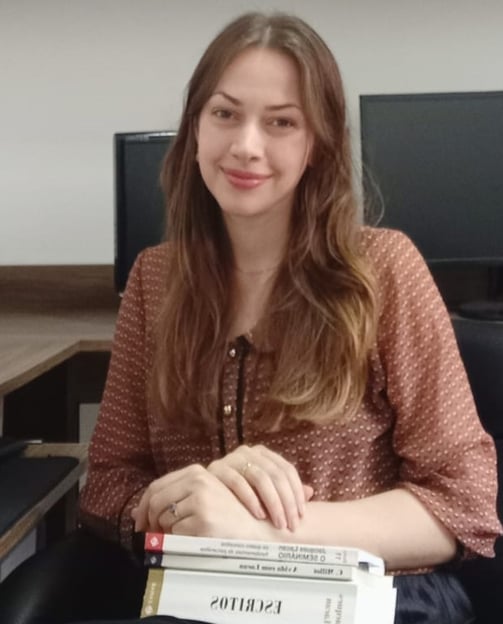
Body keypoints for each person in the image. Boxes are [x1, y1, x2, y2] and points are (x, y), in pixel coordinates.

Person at [76, 11, 500, 624]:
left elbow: (463, 505)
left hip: (374, 596)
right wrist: (183, 501)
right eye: (225, 113)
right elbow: (107, 485)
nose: (246, 145)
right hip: (202, 598)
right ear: (194, 128)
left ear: (317, 144)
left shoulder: (385, 269)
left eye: (281, 122)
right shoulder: (155, 279)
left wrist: (260, 534)